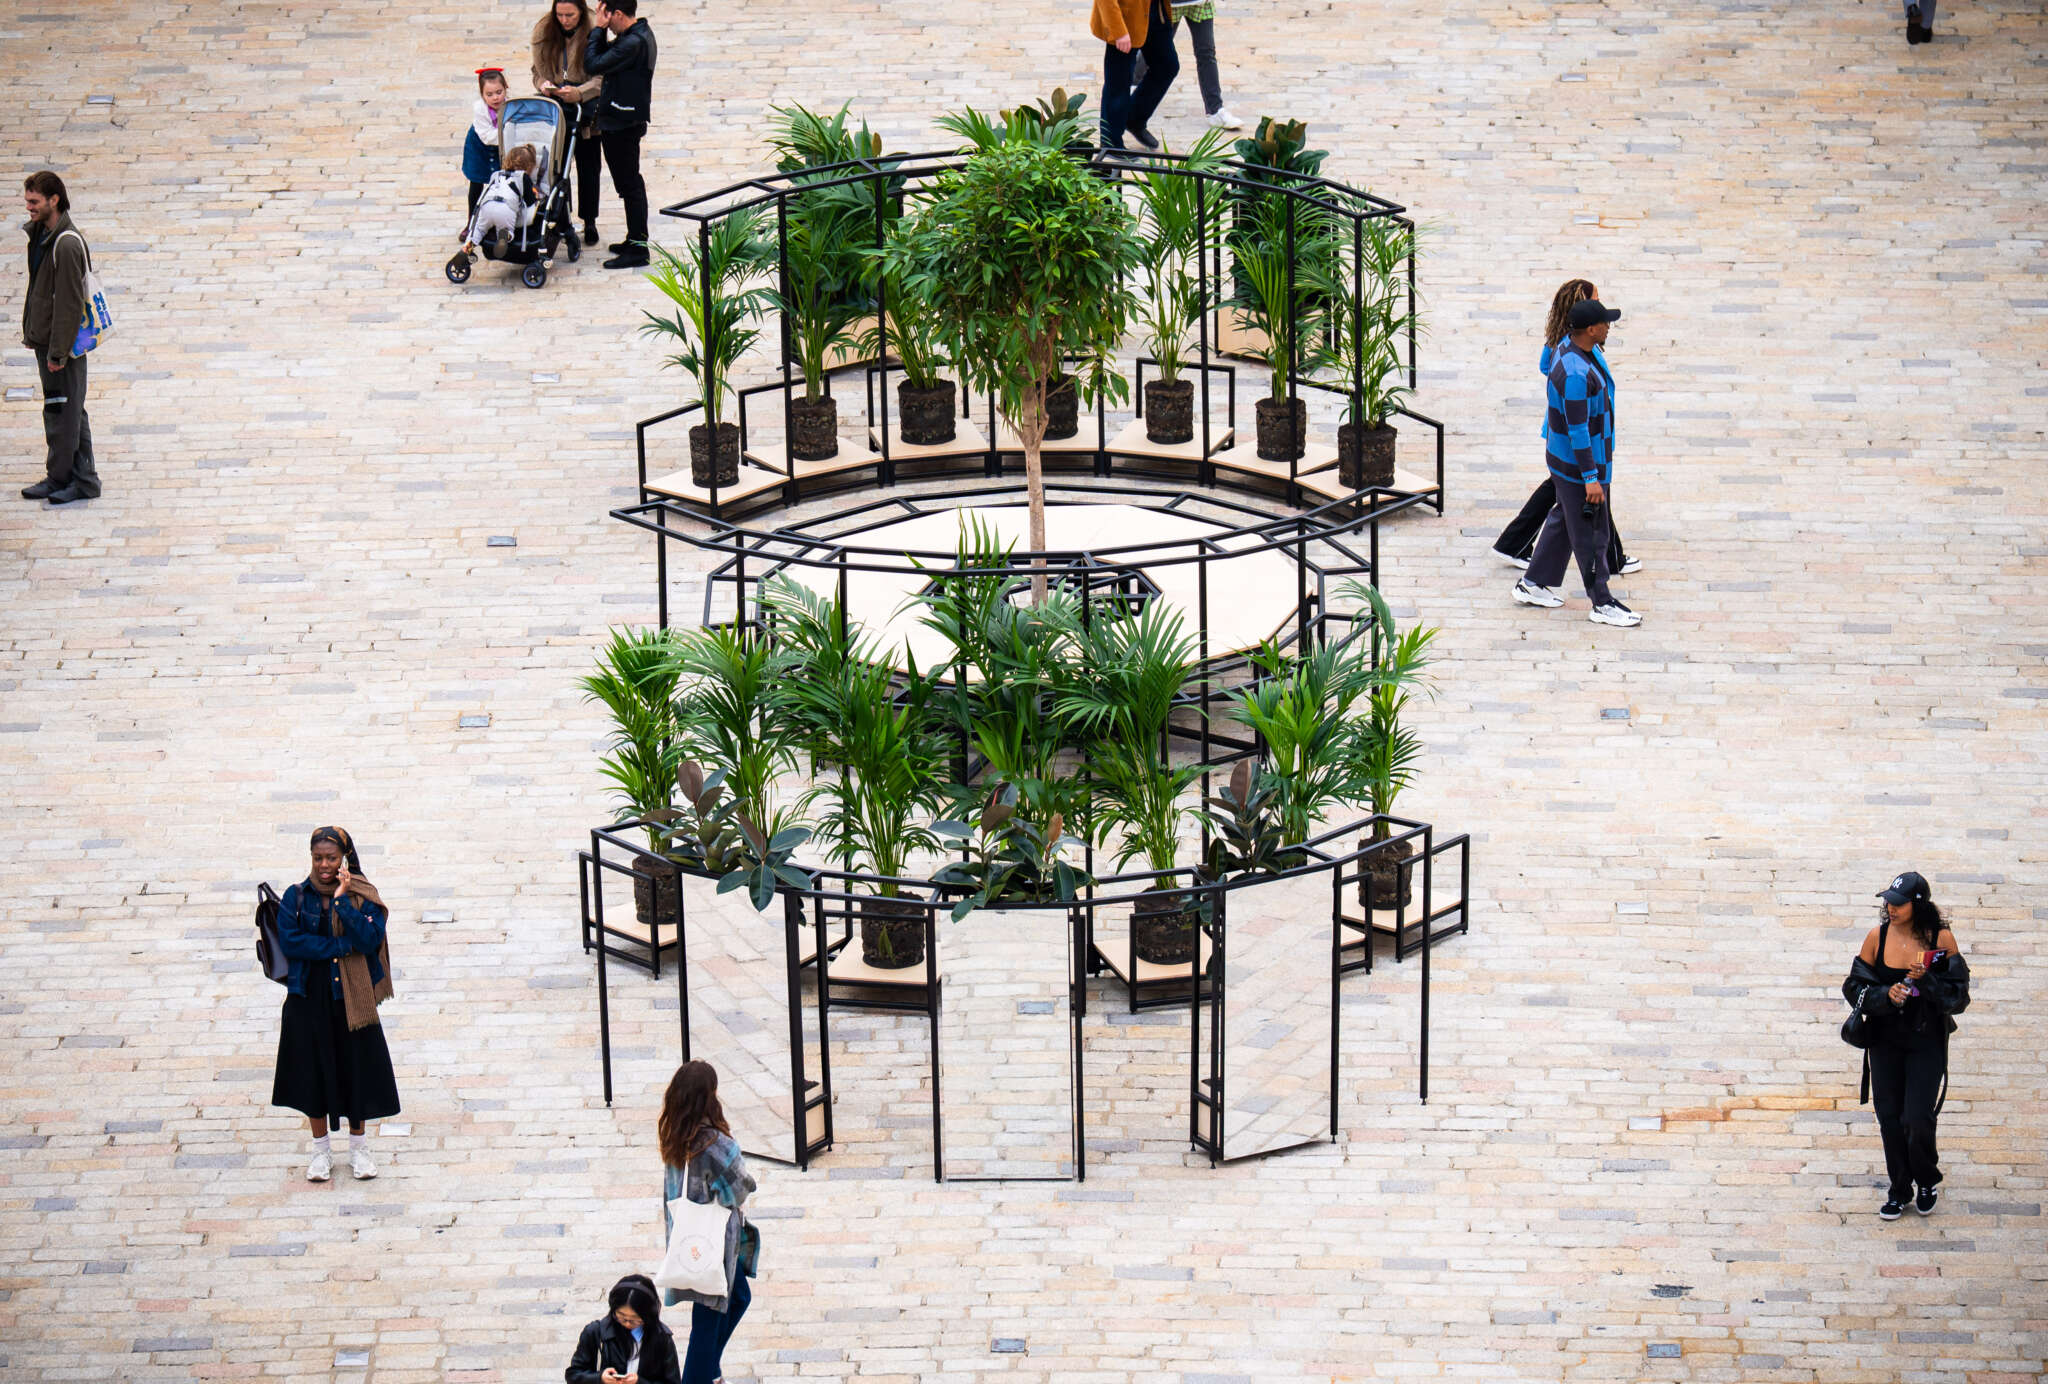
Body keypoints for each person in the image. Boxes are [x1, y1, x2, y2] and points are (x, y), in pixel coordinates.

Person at [270, 826, 399, 1182]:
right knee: (312, 1076)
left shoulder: (362, 897)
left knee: (356, 1072)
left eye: (330, 858)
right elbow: (292, 943)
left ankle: (359, 1151)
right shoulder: (296, 896)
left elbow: (371, 939)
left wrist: (342, 899)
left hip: (352, 1000)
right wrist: (341, 948)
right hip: (308, 998)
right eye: (317, 858)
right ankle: (320, 1153)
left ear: (344, 858)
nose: (324, 865)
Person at [1845, 871, 1970, 1220]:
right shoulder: (1877, 936)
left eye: (1898, 903)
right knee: (1889, 1118)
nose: (1890, 908)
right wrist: (1887, 995)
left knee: (1916, 1117)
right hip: (1884, 1040)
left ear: (1917, 905)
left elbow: (1958, 996)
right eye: (1888, 901)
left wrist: (1926, 980)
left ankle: (1927, 1179)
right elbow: (1853, 987)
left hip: (1926, 1039)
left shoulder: (1940, 938)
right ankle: (1899, 1188)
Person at [1512, 298, 1640, 627]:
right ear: (1591, 330)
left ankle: (1533, 582)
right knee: (1592, 535)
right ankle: (1602, 602)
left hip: (1564, 461)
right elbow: (1578, 430)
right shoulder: (1575, 374)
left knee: (1564, 519)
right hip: (1579, 466)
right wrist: (1591, 478)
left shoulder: (1568, 348)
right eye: (1605, 324)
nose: (1609, 327)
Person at [1493, 278, 1634, 577]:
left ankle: (1513, 543)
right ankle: (1611, 559)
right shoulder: (1569, 350)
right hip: (1573, 430)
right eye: (1596, 300)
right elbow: (1551, 370)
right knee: (1587, 489)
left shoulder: (1570, 342)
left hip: (1575, 432)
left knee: (1567, 495)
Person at [658, 1061, 758, 1384]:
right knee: (707, 1323)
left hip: (689, 1242)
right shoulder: (715, 1145)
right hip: (714, 1247)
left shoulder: (675, 1136)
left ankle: (709, 1371)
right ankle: (701, 1376)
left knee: (739, 1297)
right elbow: (739, 1188)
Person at [18, 171, 101, 505]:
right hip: (47, 340)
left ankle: (78, 480)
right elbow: (40, 292)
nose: (28, 208)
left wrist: (58, 353)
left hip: (61, 346)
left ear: (54, 200)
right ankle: (69, 478)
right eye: (27, 201)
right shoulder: (43, 234)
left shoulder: (65, 244)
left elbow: (67, 304)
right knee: (64, 409)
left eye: (34, 201)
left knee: (66, 411)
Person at [585, 0, 656, 269]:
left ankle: (638, 250)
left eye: (606, 16)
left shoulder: (632, 43)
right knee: (630, 184)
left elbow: (592, 64)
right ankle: (634, 240)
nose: (604, 21)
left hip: (622, 123)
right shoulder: (635, 35)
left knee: (630, 185)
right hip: (624, 119)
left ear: (617, 14)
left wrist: (597, 30)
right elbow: (605, 59)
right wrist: (603, 34)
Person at [532, 0, 605, 248]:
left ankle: (590, 219)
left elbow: (602, 76)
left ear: (581, 13)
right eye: (560, 15)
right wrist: (544, 85)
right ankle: (560, 218)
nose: (564, 20)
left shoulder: (596, 31)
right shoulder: (545, 31)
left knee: (589, 167)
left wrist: (580, 92)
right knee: (555, 167)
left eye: (570, 15)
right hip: (555, 106)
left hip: (585, 107)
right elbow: (537, 71)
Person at [1093, 0, 1179, 152]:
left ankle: (1134, 118)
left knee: (1167, 66)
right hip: (1125, 18)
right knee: (1118, 80)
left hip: (1156, 12)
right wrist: (1117, 30)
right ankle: (1110, 144)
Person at [1136, 3, 1240, 129]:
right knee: (1158, 51)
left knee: (1206, 52)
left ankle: (1215, 109)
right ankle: (1133, 81)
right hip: (1171, 3)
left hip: (1200, 3)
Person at [566, 1273, 682, 1384]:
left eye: (635, 1319)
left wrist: (639, 1382)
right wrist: (599, 1378)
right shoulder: (595, 1332)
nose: (627, 1323)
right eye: (621, 1316)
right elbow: (573, 1375)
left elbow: (673, 1381)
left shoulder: (662, 1338)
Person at [462, 68, 511, 236]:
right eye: (489, 94)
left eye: (499, 92)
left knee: (503, 183)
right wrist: (507, 134)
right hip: (480, 147)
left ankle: (501, 220)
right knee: (476, 183)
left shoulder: (511, 106)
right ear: (482, 95)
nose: (495, 97)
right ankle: (471, 222)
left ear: (506, 88)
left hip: (502, 150)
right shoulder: (480, 110)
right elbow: (487, 137)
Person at [465, 145, 542, 252]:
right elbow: (529, 202)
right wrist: (536, 197)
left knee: (479, 229)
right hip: (506, 208)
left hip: (487, 205)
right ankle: (505, 235)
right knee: (506, 228)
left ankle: (469, 245)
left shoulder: (497, 174)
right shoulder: (523, 177)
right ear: (529, 166)